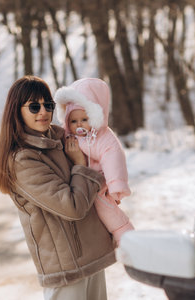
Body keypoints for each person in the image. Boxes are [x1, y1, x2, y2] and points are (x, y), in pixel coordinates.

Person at [0, 75, 115, 300]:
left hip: (92, 255)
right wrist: (79, 164)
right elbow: (73, 207)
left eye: (48, 105)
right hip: (67, 267)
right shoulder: (22, 160)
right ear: (16, 111)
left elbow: (100, 162)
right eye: (34, 106)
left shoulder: (63, 138)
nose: (43, 112)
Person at [54, 78, 134, 246]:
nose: (79, 125)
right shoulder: (69, 136)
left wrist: (116, 185)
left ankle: (125, 235)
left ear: (95, 117)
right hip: (81, 181)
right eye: (73, 121)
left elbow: (113, 157)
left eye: (84, 119)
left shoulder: (101, 137)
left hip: (99, 181)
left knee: (104, 206)